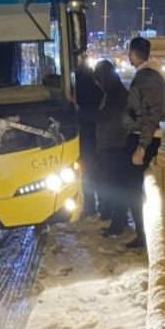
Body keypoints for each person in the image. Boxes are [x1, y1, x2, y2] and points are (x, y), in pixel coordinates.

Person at [121, 37, 165, 249]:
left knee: (133, 187)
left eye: (129, 52)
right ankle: (141, 233)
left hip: (143, 138)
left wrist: (142, 146)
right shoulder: (146, 75)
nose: (128, 56)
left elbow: (151, 114)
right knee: (131, 185)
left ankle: (143, 235)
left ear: (133, 53)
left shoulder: (148, 78)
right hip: (140, 136)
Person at [93, 60, 131, 236]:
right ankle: (117, 221)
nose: (98, 84)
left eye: (99, 79)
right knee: (114, 184)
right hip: (112, 144)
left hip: (114, 145)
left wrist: (88, 114)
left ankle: (118, 224)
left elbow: (108, 118)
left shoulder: (115, 94)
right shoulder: (114, 91)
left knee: (115, 186)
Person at [74, 56, 103, 218]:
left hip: (86, 135)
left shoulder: (79, 85)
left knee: (88, 173)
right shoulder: (97, 86)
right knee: (97, 171)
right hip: (97, 135)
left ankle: (90, 206)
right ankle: (101, 205)